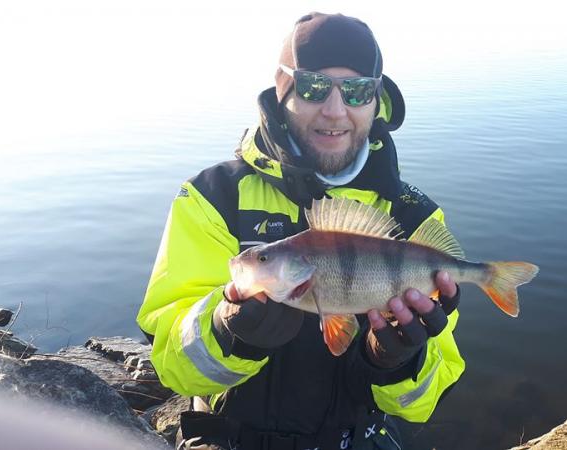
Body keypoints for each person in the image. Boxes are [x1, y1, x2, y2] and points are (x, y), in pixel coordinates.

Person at [137, 12, 465, 450]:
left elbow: (422, 404)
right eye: (313, 87)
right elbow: (171, 366)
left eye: (356, 91)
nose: (335, 110)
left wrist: (399, 361)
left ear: (376, 100)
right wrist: (227, 331)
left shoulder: (414, 219)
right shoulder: (214, 198)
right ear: (283, 87)